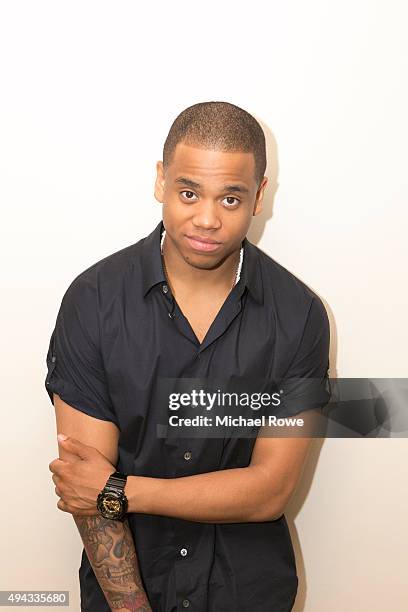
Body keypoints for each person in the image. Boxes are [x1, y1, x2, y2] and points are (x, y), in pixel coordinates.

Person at [45, 101, 331, 612]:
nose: (206, 218)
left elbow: (270, 491)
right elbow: (85, 492)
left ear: (259, 197)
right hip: (126, 596)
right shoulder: (93, 301)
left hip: (248, 595)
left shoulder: (300, 316)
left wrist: (120, 490)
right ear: (160, 181)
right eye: (188, 192)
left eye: (230, 198)